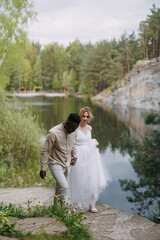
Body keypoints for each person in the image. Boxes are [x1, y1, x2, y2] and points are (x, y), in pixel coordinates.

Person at [67, 107, 112, 213]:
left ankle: (92, 204)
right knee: (78, 178)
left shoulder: (90, 128)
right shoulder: (75, 128)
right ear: (80, 116)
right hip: (79, 155)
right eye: (83, 116)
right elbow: (71, 143)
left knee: (91, 178)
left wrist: (93, 144)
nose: (85, 118)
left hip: (90, 156)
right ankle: (77, 203)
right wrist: (72, 156)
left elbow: (89, 140)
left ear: (89, 117)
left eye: (87, 116)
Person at [40, 113, 81, 203]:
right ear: (68, 122)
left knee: (59, 188)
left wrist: (75, 156)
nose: (72, 131)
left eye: (75, 129)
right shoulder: (53, 133)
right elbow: (45, 151)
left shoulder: (73, 131)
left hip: (67, 164)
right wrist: (43, 168)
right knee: (64, 187)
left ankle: (56, 210)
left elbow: (73, 145)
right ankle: (67, 215)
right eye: (71, 128)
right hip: (55, 163)